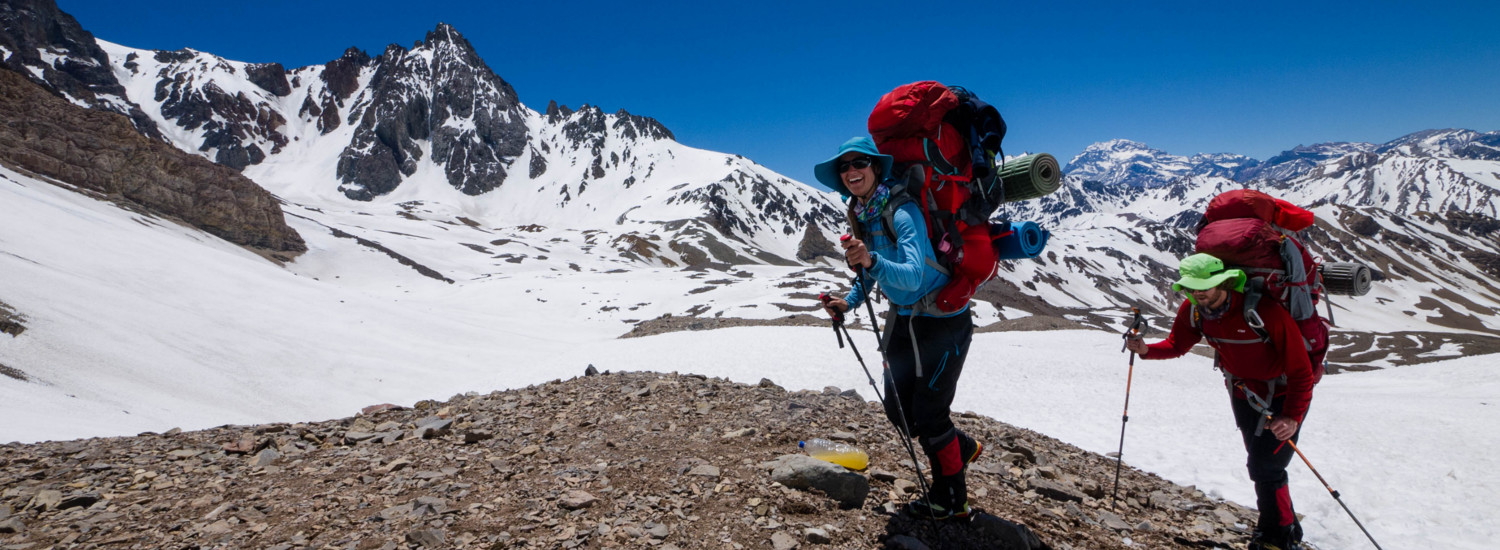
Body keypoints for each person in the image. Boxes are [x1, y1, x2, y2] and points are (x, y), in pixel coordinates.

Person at [814, 136, 982, 520]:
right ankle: (963, 448)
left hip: (941, 322)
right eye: (844, 167)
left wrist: (870, 260)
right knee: (899, 411)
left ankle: (951, 499)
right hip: (904, 320)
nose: (852, 171)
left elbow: (912, 274)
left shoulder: (902, 210)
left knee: (930, 415)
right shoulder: (863, 213)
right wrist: (850, 301)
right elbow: (869, 272)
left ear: (876, 167)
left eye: (859, 163)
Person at [1126, 253, 1316, 550]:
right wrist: (1146, 350)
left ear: (1224, 281)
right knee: (1264, 466)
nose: (1198, 292)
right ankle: (1287, 526)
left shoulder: (1264, 311)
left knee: (1265, 467)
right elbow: (1177, 344)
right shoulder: (1194, 311)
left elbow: (1301, 371)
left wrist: (1291, 416)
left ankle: (1275, 539)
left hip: (1282, 396)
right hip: (1243, 395)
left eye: (1205, 285)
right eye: (1192, 286)